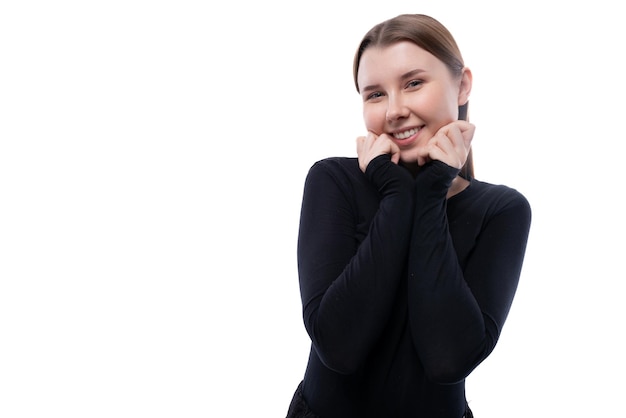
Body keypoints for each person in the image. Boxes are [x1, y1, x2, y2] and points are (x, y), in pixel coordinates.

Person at [286, 13, 531, 418]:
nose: (395, 110)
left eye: (413, 83)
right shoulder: (333, 181)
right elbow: (338, 346)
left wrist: (432, 190)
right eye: (375, 94)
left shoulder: (501, 211)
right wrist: (398, 193)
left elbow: (448, 359)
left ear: (462, 84)